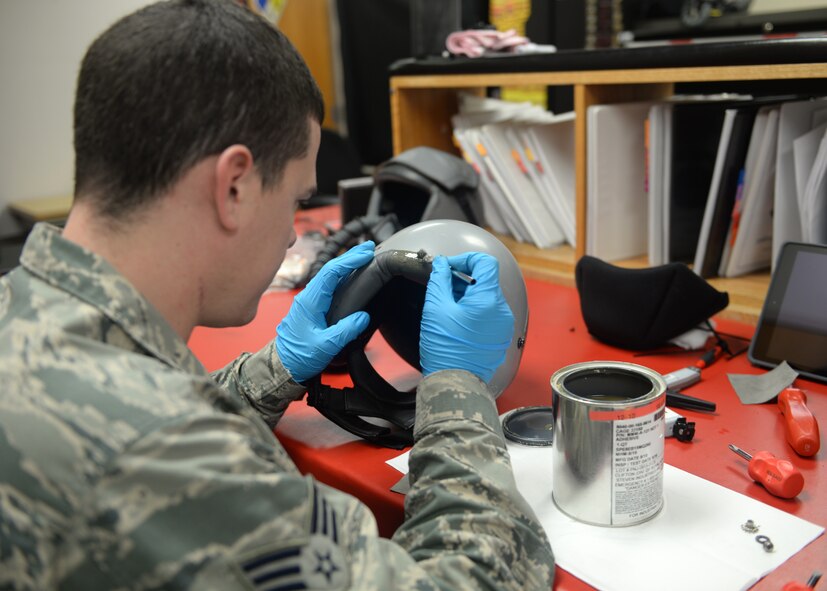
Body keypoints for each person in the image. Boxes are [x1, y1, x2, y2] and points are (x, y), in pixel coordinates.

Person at [0, 1, 554, 589]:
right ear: (234, 185)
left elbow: (112, 410)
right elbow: (476, 578)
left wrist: (274, 370)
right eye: (296, 198)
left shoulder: (23, 309)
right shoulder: (172, 456)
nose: (295, 231)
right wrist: (459, 393)